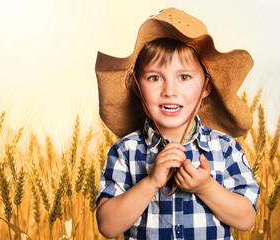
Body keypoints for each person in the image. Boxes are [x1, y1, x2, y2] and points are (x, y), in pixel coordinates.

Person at [95, 8, 260, 240]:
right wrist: (151, 181)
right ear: (136, 86)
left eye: (184, 77)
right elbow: (108, 226)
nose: (169, 91)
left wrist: (206, 187)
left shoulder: (225, 148)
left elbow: (246, 219)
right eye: (154, 78)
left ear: (206, 87)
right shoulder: (125, 151)